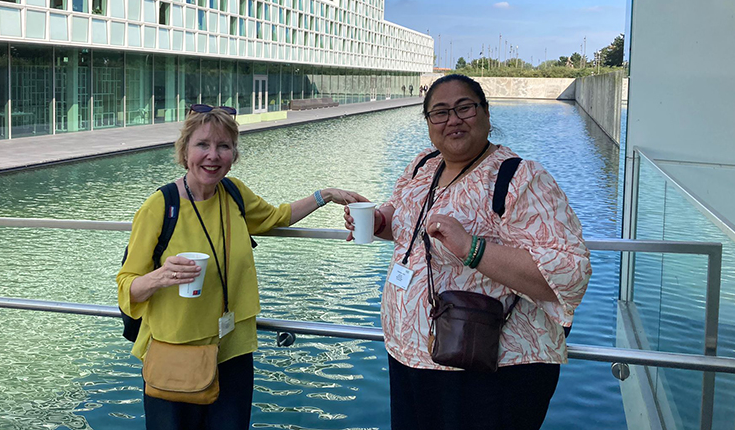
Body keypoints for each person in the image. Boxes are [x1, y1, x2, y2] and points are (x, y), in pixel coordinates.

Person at [345, 74, 590, 430]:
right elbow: (406, 224)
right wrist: (380, 221)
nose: (453, 119)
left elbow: (571, 275)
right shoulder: (424, 166)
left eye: (464, 108)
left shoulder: (520, 179)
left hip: (489, 365)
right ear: (428, 123)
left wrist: (472, 248)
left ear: (486, 114)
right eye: (440, 112)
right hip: (413, 354)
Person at [118, 104, 366, 430]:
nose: (213, 155)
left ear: (234, 153)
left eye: (224, 146)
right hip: (176, 352)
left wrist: (326, 195)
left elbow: (278, 217)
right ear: (184, 151)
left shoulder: (234, 194)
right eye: (203, 145)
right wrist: (159, 277)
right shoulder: (162, 206)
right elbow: (127, 285)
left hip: (232, 350)